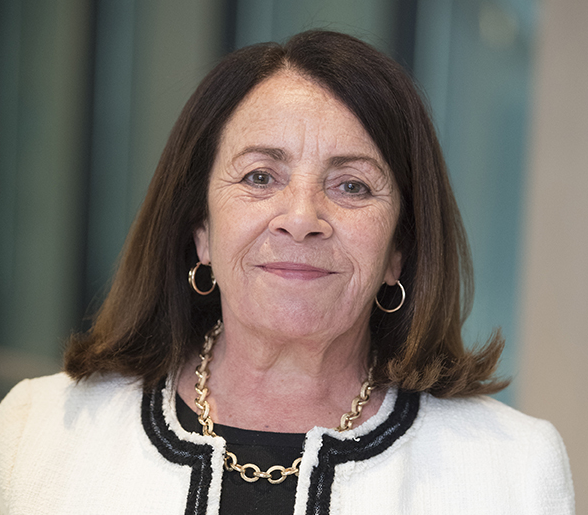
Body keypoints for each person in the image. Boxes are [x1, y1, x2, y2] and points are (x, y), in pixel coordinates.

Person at [0, 30, 574, 515]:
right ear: (200, 230)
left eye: (351, 185)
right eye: (259, 177)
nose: (301, 220)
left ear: (399, 249)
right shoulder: (36, 432)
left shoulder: (513, 469)